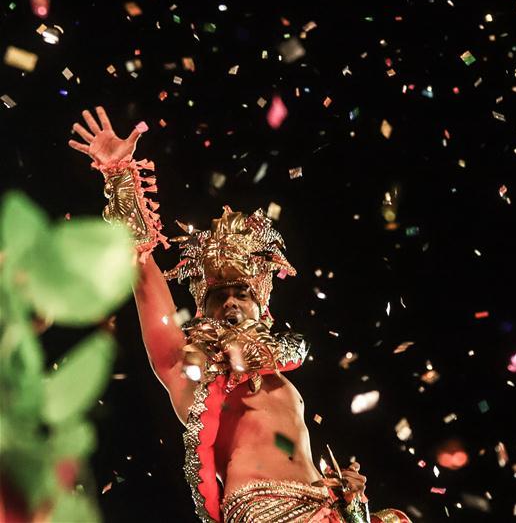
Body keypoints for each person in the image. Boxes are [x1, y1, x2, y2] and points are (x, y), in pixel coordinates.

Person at [69, 107, 410, 523]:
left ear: (261, 306)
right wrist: (120, 175)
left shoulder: (280, 377)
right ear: (201, 309)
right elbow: (140, 267)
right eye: (219, 297)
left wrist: (349, 501)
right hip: (263, 512)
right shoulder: (186, 369)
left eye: (241, 294)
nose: (230, 302)